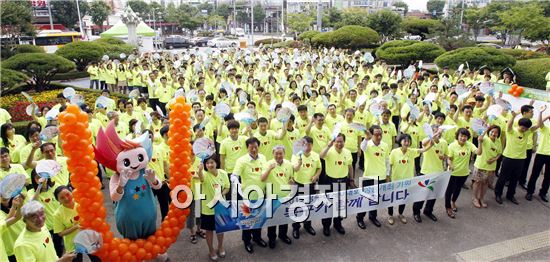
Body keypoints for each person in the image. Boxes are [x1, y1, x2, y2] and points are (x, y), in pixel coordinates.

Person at [495, 110, 539, 205]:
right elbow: (509, 125)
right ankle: (498, 194)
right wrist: (513, 116)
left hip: (520, 159)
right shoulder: (512, 131)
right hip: (508, 158)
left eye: (526, 128)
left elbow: (538, 125)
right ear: (519, 125)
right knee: (503, 177)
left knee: (515, 178)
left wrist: (541, 113)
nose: (524, 130)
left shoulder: (527, 132)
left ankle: (510, 195)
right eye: (523, 128)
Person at [232, 137, 268, 253]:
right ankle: (247, 241)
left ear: (259, 147)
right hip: (247, 196)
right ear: (247, 148)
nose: (253, 149)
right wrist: (239, 189)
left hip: (261, 195)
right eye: (251, 147)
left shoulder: (263, 157)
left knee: (259, 218)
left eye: (256, 147)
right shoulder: (241, 161)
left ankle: (257, 238)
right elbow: (234, 176)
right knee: (247, 219)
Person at [388, 134, 432, 225]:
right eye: (405, 141)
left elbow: (423, 150)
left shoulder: (412, 151)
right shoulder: (394, 152)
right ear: (400, 141)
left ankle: (400, 214)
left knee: (403, 199)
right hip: (395, 180)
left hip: (407, 181)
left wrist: (431, 142)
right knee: (391, 199)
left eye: (408, 141)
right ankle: (390, 215)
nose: (407, 143)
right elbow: (389, 165)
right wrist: (388, 177)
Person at [319, 133, 353, 236]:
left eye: (341, 141)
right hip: (329, 181)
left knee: (340, 205)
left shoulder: (347, 152)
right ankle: (326, 226)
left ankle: (338, 224)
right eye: (337, 141)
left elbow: (350, 166)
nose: (339, 143)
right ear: (334, 142)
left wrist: (351, 179)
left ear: (344, 142)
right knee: (328, 205)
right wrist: (328, 145)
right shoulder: (329, 151)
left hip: (343, 181)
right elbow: (321, 156)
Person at [356, 125, 389, 228]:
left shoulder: (385, 145)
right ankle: (360, 218)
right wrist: (366, 137)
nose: (379, 137)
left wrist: (387, 174)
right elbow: (362, 147)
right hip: (368, 177)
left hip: (381, 176)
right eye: (376, 134)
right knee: (365, 200)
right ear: (371, 134)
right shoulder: (367, 144)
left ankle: (373, 217)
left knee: (375, 200)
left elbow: (387, 161)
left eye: (380, 134)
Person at [197, 155, 229, 261]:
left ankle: (220, 246)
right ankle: (211, 250)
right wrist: (200, 170)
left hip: (220, 208)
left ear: (216, 163)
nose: (210, 165)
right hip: (208, 209)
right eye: (207, 163)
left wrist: (221, 194)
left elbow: (227, 187)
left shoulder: (223, 173)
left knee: (220, 229)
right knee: (209, 231)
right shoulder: (205, 175)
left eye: (212, 162)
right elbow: (201, 178)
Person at [413, 124, 447, 223]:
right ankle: (416, 212)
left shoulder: (444, 142)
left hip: (438, 172)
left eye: (440, 132)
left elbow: (446, 154)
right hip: (426, 172)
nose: (439, 134)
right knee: (422, 194)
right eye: (436, 131)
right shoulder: (427, 141)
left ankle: (428, 211)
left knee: (433, 194)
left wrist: (443, 157)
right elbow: (423, 143)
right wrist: (434, 135)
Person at [446, 128, 483, 218]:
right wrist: (450, 165)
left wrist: (480, 142)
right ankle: (448, 207)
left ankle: (453, 202)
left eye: (465, 136)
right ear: (457, 136)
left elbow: (479, 152)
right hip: (453, 173)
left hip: (464, 173)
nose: (463, 138)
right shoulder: (452, 146)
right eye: (461, 136)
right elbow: (449, 159)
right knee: (449, 191)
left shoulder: (469, 144)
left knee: (458, 189)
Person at [261, 145, 293, 249]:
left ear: (284, 154)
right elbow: (262, 178)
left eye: (281, 153)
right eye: (276, 153)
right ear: (273, 154)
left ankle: (283, 235)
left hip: (285, 196)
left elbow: (291, 178)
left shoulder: (288, 164)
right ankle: (272, 238)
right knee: (272, 220)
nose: (278, 155)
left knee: (284, 218)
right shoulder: (267, 164)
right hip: (272, 197)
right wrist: (269, 169)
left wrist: (291, 182)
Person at [291, 136, 320, 238]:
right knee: (297, 207)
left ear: (312, 145)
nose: (307, 147)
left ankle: (308, 225)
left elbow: (319, 168)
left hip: (310, 185)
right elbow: (294, 169)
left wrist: (316, 176)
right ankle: (296, 227)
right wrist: (299, 164)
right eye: (305, 144)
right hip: (298, 184)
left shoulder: (316, 155)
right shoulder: (296, 155)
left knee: (309, 206)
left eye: (309, 144)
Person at [472, 125, 502, 208]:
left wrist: (494, 159)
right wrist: (486, 129)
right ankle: (475, 198)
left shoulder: (498, 141)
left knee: (485, 183)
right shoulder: (484, 139)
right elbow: (480, 138)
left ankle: (481, 198)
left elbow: (499, 153)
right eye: (492, 131)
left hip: (491, 167)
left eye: (496, 132)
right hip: (480, 165)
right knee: (477, 182)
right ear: (489, 132)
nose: (494, 133)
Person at [526, 107, 550, 202]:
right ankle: (530, 192)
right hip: (541, 154)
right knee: (535, 174)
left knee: (548, 176)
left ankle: (543, 193)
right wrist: (543, 114)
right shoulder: (546, 128)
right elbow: (539, 124)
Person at [52, 186, 80, 253]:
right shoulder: (57, 214)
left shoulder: (80, 202)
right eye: (62, 198)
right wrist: (75, 227)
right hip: (73, 245)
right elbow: (60, 233)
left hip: (88, 239)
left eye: (68, 194)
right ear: (58, 200)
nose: (66, 198)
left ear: (71, 192)